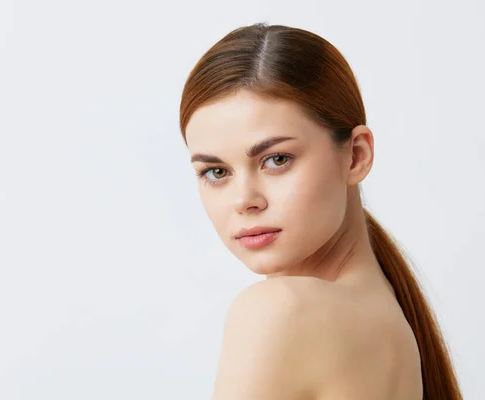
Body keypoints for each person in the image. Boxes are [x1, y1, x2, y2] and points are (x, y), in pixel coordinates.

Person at [178, 23, 462, 400]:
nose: (244, 200)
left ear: (356, 155)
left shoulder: (280, 312)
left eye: (276, 159)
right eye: (216, 172)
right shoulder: (392, 323)